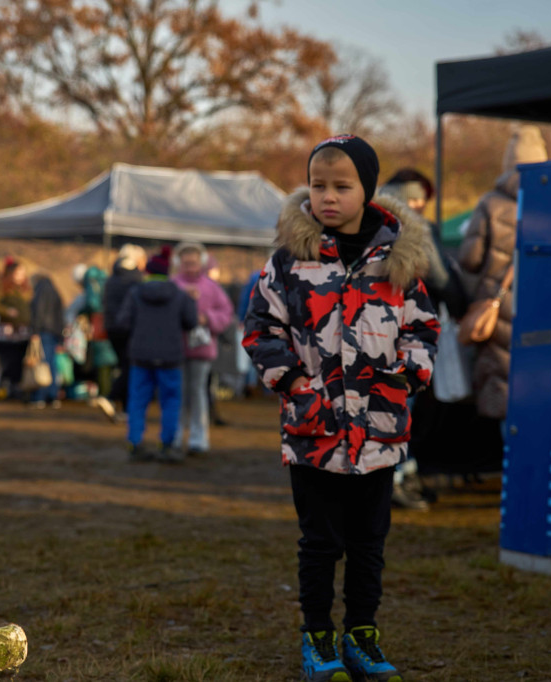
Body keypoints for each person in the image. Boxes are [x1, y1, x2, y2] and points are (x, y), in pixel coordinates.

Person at [244, 135, 437, 682]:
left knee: (368, 544)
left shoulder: (396, 263)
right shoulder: (290, 262)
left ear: (367, 191)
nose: (328, 197)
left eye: (341, 186)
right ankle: (318, 639)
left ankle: (363, 636)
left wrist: (409, 374)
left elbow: (423, 326)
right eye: (318, 185)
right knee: (320, 543)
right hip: (314, 431)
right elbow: (260, 328)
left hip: (379, 430)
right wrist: (296, 382)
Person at [377, 169, 469, 510]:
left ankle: (398, 474)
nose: (419, 205)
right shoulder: (410, 225)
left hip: (368, 329)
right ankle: (397, 478)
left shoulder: (359, 219)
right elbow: (440, 275)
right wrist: (459, 305)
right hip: (403, 328)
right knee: (403, 403)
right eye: (416, 198)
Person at [459, 126, 547, 423]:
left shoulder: (490, 203)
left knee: (501, 388)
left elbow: (469, 259)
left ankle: (505, 461)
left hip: (497, 313)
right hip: (541, 309)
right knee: (537, 390)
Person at [116, 245, 197, 463]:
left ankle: (135, 443)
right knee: (170, 402)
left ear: (148, 272)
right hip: (170, 358)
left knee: (138, 401)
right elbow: (191, 322)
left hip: (140, 357)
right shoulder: (180, 295)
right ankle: (167, 445)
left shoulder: (135, 293)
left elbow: (122, 323)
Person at [171, 242, 234, 455]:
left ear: (201, 263)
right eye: (186, 262)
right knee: (179, 392)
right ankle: (176, 435)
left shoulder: (211, 287)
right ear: (179, 263)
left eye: (193, 262)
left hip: (202, 349)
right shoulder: (173, 285)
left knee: (198, 392)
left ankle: (199, 438)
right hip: (176, 349)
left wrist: (206, 318)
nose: (190, 266)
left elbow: (226, 313)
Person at [103, 244, 147, 415]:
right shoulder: (135, 279)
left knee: (124, 365)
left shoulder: (112, 277)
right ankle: (112, 397)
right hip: (130, 329)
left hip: (112, 329)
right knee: (130, 367)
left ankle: (123, 407)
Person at [0, 258, 32, 400]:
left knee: (18, 363)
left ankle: (15, 389)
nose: (22, 275)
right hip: (6, 334)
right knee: (5, 364)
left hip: (23, 332)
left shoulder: (26, 289)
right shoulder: (2, 287)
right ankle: (1, 389)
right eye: (19, 272)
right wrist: (7, 311)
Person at [27, 273, 65, 409]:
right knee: (52, 365)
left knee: (42, 365)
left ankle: (39, 397)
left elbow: (38, 312)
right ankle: (53, 396)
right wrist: (61, 337)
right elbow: (61, 315)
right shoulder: (55, 291)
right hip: (54, 333)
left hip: (43, 332)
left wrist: (35, 331)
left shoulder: (41, 291)